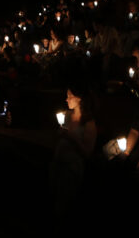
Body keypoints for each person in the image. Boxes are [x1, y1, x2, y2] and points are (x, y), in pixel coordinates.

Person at [50, 85, 97, 220]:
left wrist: (73, 138)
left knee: (63, 204)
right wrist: (60, 134)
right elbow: (60, 137)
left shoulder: (88, 123)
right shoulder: (68, 115)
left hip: (71, 168)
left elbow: (88, 153)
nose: (66, 99)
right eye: (67, 96)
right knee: (52, 197)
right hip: (57, 161)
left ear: (80, 99)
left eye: (70, 96)